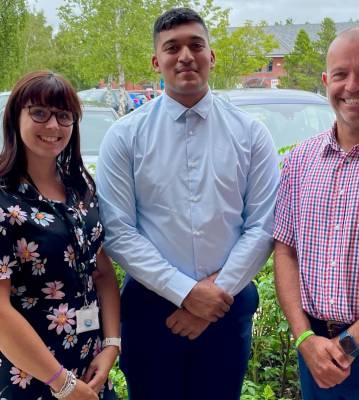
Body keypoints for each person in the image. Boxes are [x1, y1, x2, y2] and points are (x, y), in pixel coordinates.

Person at [96, 7, 279, 400]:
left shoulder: (251, 134)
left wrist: (213, 296)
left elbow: (263, 223)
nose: (185, 56)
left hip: (227, 308)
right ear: (155, 60)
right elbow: (118, 230)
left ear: (211, 55)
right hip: (150, 310)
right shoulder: (124, 136)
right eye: (172, 47)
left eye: (196, 45)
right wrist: (186, 293)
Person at [274, 27, 359, 399]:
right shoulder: (300, 160)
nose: (352, 85)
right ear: (327, 81)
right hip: (313, 350)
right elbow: (285, 250)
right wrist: (304, 338)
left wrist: (348, 345)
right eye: (341, 74)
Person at [0, 71, 120, 399]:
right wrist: (62, 384)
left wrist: (111, 346)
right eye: (39, 113)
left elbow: (102, 272)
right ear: (15, 117)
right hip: (31, 375)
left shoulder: (80, 189)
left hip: (90, 368)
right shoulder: (4, 198)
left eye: (63, 116)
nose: (53, 126)